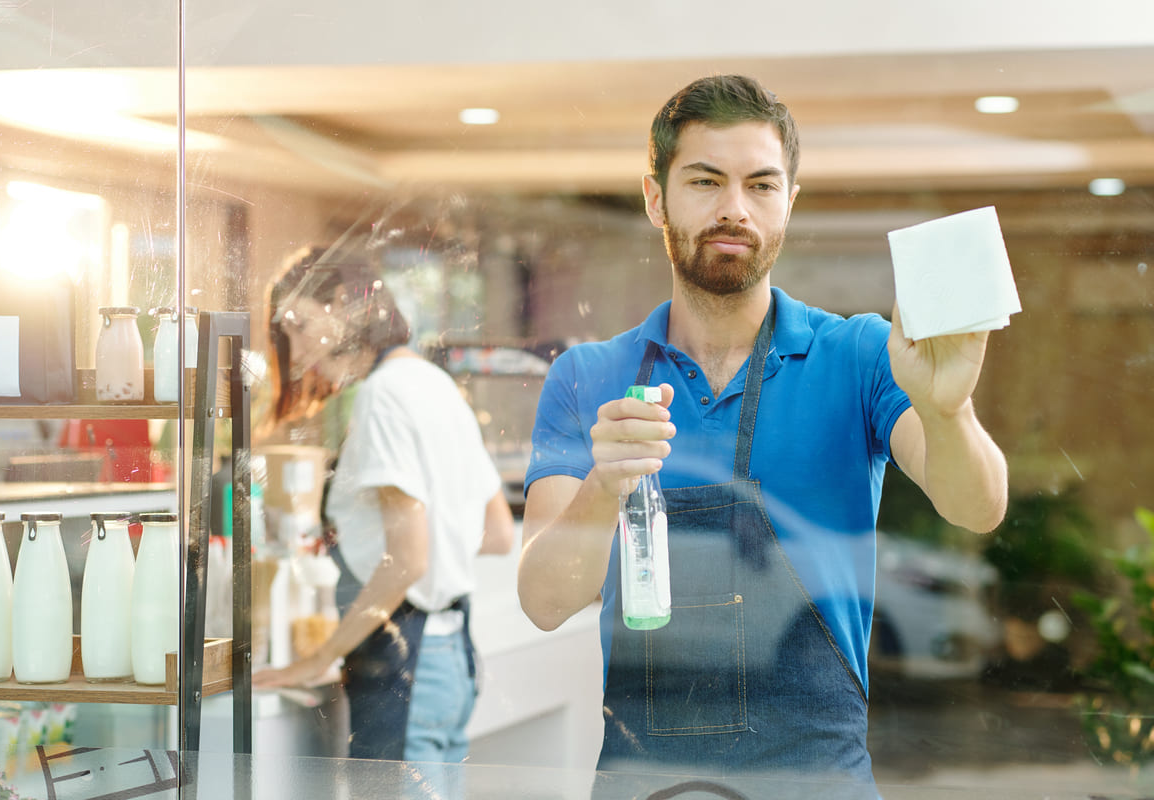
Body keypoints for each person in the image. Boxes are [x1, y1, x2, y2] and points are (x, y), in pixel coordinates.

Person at [517, 75, 1008, 793]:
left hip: (820, 781)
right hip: (646, 783)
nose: (733, 209)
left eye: (761, 185)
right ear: (656, 197)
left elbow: (978, 506)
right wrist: (605, 484)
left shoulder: (860, 354)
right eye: (706, 181)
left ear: (789, 201)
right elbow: (543, 601)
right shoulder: (589, 377)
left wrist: (948, 409)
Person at [253, 246, 515, 772]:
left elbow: (407, 561)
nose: (296, 347)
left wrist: (317, 658)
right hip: (450, 660)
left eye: (300, 324)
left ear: (349, 306)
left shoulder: (382, 395)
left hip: (405, 664)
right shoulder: (435, 384)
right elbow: (497, 532)